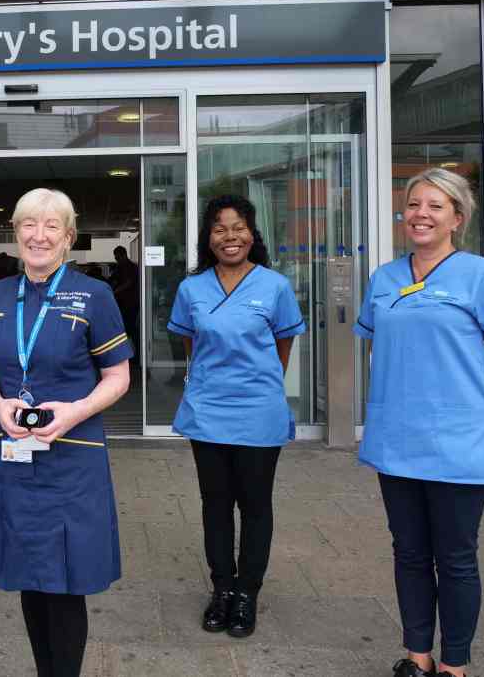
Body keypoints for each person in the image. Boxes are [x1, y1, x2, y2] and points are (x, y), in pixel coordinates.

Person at [354, 169, 484, 677]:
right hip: (396, 439)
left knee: (455, 557)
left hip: (458, 444)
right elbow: (380, 346)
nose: (421, 214)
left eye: (436, 205)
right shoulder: (385, 278)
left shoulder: (482, 275)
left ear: (457, 217)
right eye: (414, 204)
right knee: (408, 552)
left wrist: (479, 397)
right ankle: (417, 656)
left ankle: (455, 663)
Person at [0, 188, 132, 677]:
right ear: (16, 234)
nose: (38, 235)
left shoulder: (95, 295)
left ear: (69, 237)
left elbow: (118, 377)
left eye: (51, 225)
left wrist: (75, 411)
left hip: (71, 459)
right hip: (13, 454)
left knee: (65, 582)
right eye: (28, 225)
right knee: (29, 578)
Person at [167, 194, 305, 640]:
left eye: (239, 227)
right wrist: (212, 381)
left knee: (256, 505)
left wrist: (258, 384)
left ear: (252, 233)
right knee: (215, 503)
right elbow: (191, 346)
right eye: (220, 228)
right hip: (207, 411)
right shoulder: (192, 289)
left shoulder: (274, 286)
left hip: (258, 412)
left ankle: (248, 593)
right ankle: (222, 589)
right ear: (208, 238)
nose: (231, 236)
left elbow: (282, 345)